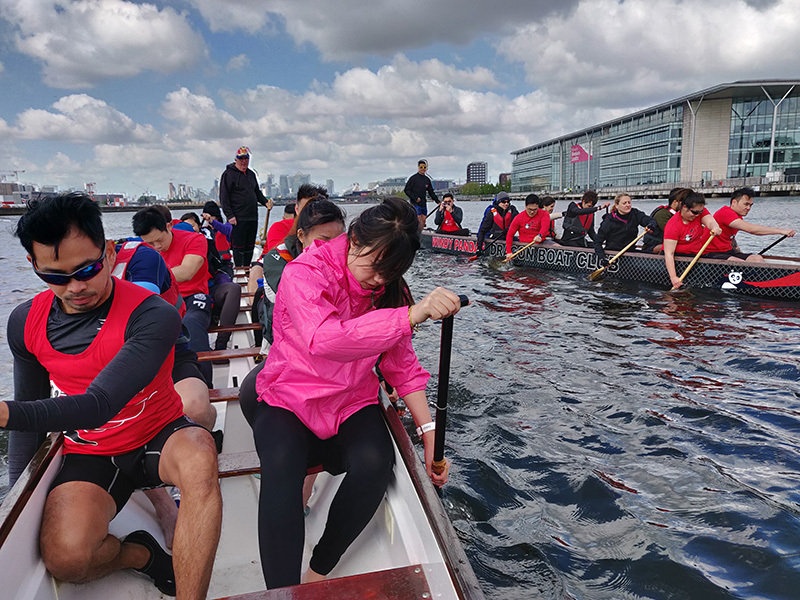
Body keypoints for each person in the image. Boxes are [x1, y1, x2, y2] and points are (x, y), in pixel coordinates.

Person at [2, 192, 221, 598]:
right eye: (56, 276)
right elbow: (28, 416)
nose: (75, 287)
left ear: (109, 253)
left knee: (200, 451)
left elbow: (99, 405)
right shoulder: (24, 323)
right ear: (33, 266)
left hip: (158, 434)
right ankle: (143, 555)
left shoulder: (153, 313)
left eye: (86, 269)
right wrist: (20, 499)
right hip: (92, 451)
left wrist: (4, 414)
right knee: (68, 560)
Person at [248, 197, 460, 589]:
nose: (379, 281)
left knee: (375, 462)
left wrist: (429, 435)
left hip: (350, 400)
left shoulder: (390, 288)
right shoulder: (304, 273)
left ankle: (319, 570)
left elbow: (402, 367)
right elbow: (324, 340)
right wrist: (410, 316)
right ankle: (281, 592)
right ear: (354, 240)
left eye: (392, 272)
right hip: (291, 397)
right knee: (281, 466)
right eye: (376, 268)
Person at [132, 207, 214, 387]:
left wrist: (150, 276)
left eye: (159, 240)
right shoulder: (139, 249)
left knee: (191, 323)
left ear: (169, 226)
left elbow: (187, 271)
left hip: (193, 296)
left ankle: (204, 384)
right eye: (149, 244)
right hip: (161, 302)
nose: (156, 247)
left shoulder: (195, 239)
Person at [248, 184, 328, 295]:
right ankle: (256, 309)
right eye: (307, 208)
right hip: (276, 266)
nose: (313, 214)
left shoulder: (332, 231)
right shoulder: (280, 227)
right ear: (297, 209)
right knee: (256, 271)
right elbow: (277, 259)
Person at [181, 209, 242, 353]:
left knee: (232, 288)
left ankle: (221, 343)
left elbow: (227, 229)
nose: (190, 230)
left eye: (192, 226)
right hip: (186, 297)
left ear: (199, 226)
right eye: (186, 227)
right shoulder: (169, 246)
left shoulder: (205, 240)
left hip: (207, 288)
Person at [705, 187, 796, 261]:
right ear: (734, 202)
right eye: (746, 204)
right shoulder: (725, 213)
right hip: (710, 253)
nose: (748, 208)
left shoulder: (738, 216)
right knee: (738, 262)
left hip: (727, 252)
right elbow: (751, 229)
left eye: (750, 205)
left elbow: (731, 238)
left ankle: (761, 282)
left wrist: (740, 253)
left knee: (757, 259)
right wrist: (781, 231)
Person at [219, 145, 270, 266]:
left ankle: (247, 269)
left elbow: (256, 192)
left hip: (252, 217)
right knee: (238, 246)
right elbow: (224, 197)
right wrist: (230, 215)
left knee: (250, 246)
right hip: (237, 218)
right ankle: (239, 269)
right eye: (241, 158)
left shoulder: (251, 174)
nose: (244, 161)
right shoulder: (228, 174)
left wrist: (265, 202)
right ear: (236, 159)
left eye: (246, 158)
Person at [662, 191, 722, 289]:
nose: (697, 215)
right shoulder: (673, 225)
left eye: (700, 212)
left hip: (697, 254)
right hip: (680, 258)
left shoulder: (699, 212)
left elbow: (710, 221)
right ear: (684, 207)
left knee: (727, 258)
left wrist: (715, 227)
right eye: (694, 212)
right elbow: (669, 253)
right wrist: (673, 277)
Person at [593, 194, 657, 263]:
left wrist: (651, 225)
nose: (628, 205)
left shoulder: (635, 214)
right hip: (614, 254)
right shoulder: (609, 221)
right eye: (624, 203)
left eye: (629, 202)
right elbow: (597, 242)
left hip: (630, 252)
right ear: (617, 205)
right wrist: (602, 258)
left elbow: (649, 220)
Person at [504, 194, 551, 259]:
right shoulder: (519, 217)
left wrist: (540, 235)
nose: (532, 212)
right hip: (525, 246)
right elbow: (510, 235)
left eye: (535, 209)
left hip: (541, 243)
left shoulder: (544, 214)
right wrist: (509, 252)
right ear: (525, 206)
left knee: (557, 246)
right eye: (530, 209)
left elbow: (545, 227)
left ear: (538, 207)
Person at [642, 187, 687, 254]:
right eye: (684, 202)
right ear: (675, 202)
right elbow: (673, 232)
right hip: (652, 247)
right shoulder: (663, 214)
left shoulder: (680, 215)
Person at [403, 159, 439, 231]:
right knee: (418, 219)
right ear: (418, 168)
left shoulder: (427, 180)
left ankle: (421, 234)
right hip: (415, 203)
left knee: (423, 220)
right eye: (421, 167)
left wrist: (437, 201)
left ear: (426, 168)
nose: (423, 169)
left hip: (423, 203)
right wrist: (415, 198)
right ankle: (416, 233)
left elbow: (431, 192)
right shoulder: (413, 178)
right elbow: (406, 190)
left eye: (424, 167)